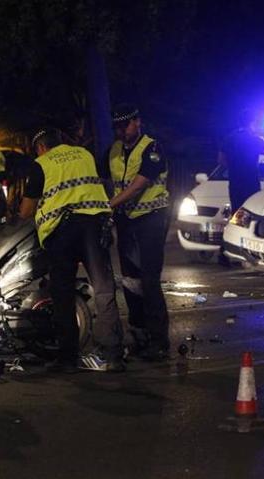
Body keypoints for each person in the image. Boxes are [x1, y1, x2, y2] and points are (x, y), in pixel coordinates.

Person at [19, 127, 125, 373]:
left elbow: (26, 211)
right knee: (103, 288)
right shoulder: (84, 154)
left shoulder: (41, 164)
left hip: (63, 231)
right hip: (94, 225)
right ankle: (113, 355)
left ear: (41, 147)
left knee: (63, 294)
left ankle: (68, 358)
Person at [106, 104, 171, 361]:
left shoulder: (152, 148)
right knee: (130, 280)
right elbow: (104, 180)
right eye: (118, 127)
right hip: (126, 220)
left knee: (149, 280)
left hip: (151, 219)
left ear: (138, 122)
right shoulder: (113, 151)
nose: (122, 131)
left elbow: (138, 185)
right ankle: (139, 334)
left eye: (126, 125)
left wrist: (108, 205)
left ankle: (159, 340)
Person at [220, 109, 264, 213]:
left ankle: (235, 228)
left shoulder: (230, 138)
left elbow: (221, 160)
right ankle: (243, 228)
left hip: (235, 182)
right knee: (250, 211)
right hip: (250, 181)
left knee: (237, 211)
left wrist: (234, 167)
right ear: (253, 122)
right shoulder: (253, 139)